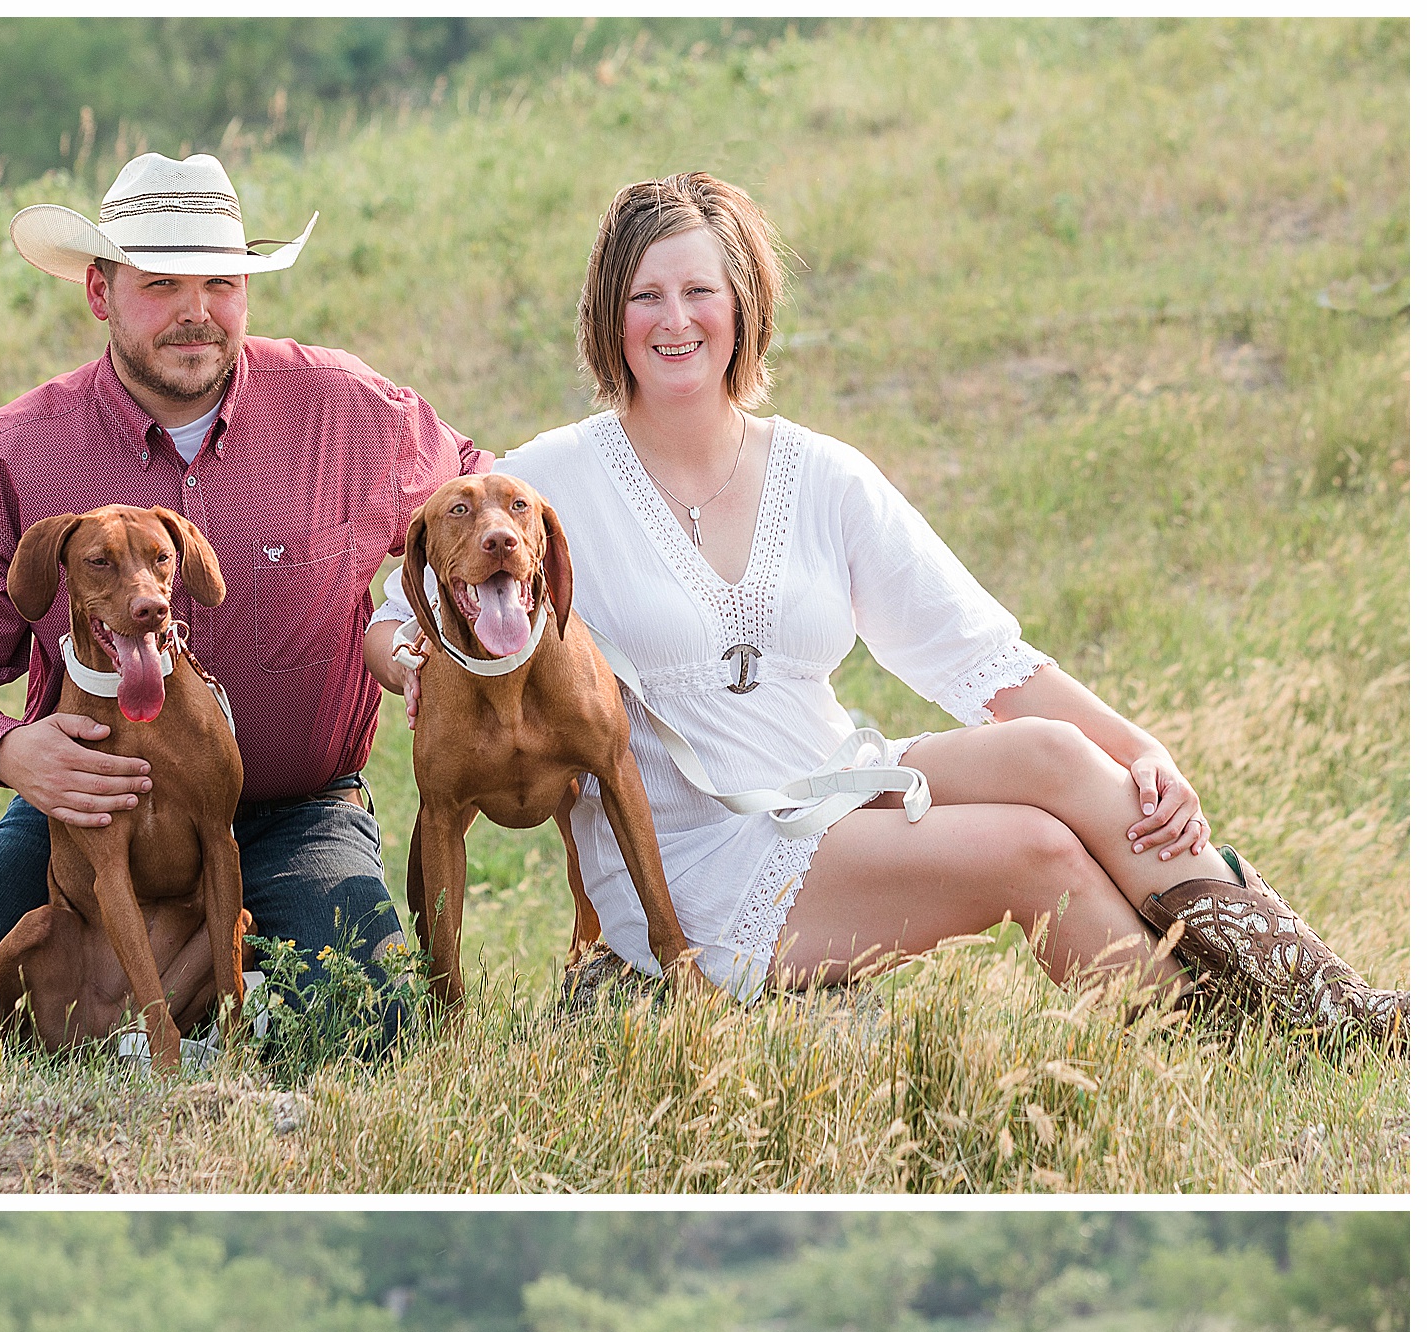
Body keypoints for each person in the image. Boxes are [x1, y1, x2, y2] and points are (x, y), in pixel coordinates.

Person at [369, 172, 1404, 1038]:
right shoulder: (555, 477)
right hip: (700, 857)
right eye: (646, 296)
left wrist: (1148, 751)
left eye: (700, 291)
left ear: (745, 306)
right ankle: (1223, 1053)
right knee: (1028, 850)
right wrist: (403, 652)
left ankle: (1329, 1008)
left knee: (1055, 758)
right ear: (610, 315)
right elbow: (410, 592)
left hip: (830, 781)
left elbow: (987, 658)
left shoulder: (824, 474)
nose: (675, 321)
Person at [0, 150, 487, 1055]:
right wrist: (7, 748)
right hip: (87, 809)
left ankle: (231, 991)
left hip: (292, 810)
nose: (198, 311)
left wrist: (405, 618)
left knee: (376, 1024)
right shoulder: (11, 459)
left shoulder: (350, 414)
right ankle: (190, 1003)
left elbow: (482, 495)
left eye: (221, 282)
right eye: (161, 285)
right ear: (101, 293)